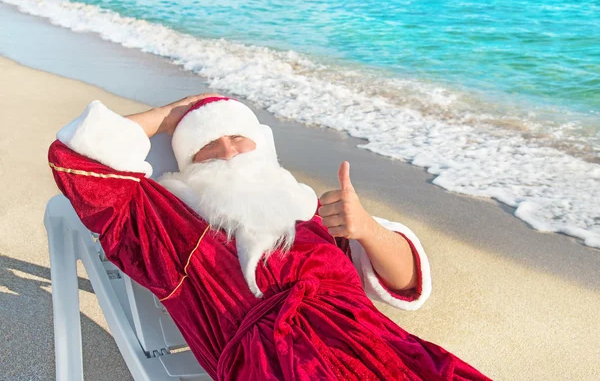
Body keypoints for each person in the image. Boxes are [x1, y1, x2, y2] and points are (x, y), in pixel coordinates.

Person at [48, 94, 490, 380]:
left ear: (262, 145)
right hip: (268, 364)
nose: (226, 151)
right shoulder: (165, 225)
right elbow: (75, 158)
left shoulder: (309, 212)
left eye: (238, 137)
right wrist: (167, 117)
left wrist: (368, 229)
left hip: (384, 349)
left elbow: (406, 282)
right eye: (206, 145)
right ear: (187, 164)